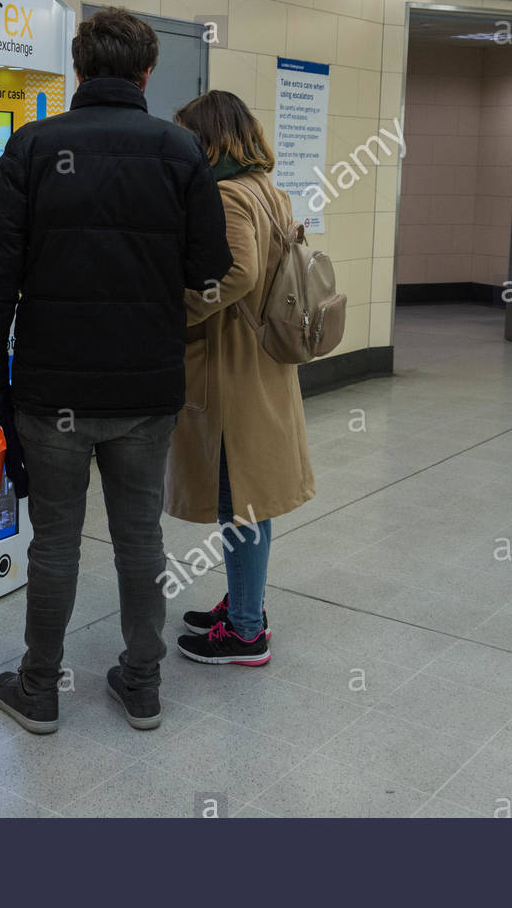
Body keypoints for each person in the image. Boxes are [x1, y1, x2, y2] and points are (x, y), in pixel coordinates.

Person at [0, 8, 233, 734]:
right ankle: (142, 684)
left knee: (53, 539)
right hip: (147, 389)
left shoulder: (32, 147)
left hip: (51, 390)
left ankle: (40, 688)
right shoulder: (180, 151)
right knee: (139, 535)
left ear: (79, 70)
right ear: (147, 73)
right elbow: (211, 267)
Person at [164, 90, 315, 666]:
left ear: (211, 139)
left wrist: (176, 314)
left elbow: (238, 273)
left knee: (240, 501)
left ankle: (246, 631)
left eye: (189, 136)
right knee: (249, 500)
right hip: (261, 364)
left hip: (235, 370)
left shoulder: (228, 193)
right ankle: (244, 603)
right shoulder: (267, 190)